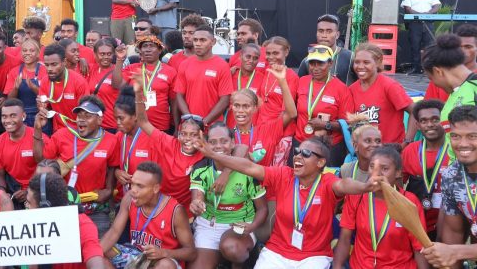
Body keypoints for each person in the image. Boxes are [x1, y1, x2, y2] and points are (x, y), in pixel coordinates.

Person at [194, 136, 385, 269]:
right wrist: (214, 155)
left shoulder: (327, 182)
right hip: (276, 252)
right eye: (297, 151)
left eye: (306, 154)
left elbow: (345, 184)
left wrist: (365, 187)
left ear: (320, 163)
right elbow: (250, 167)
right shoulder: (284, 175)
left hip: (313, 257)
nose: (298, 156)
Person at [333, 146, 428, 269]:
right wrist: (337, 266)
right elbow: (345, 238)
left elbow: (419, 247)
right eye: (372, 167)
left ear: (398, 172)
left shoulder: (409, 201)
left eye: (385, 169)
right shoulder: (356, 197)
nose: (376, 174)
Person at [189, 123, 267, 269]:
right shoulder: (201, 168)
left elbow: (262, 209)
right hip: (209, 225)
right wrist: (196, 204)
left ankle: (244, 259)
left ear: (232, 143)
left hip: (239, 225)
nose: (219, 146)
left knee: (233, 249)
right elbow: (197, 197)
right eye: (212, 142)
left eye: (224, 141)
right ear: (206, 144)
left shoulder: (248, 170)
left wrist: (252, 226)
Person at [34, 96, 117, 234]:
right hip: (65, 207)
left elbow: (113, 167)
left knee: (97, 249)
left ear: (100, 120)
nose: (81, 119)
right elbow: (40, 160)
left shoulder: (111, 141)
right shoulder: (61, 135)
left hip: (95, 209)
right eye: (79, 115)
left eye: (87, 115)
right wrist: (37, 128)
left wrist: (108, 189)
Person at [100, 162, 196, 268]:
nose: (133, 190)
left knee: (165, 265)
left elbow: (191, 252)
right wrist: (95, 254)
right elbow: (114, 231)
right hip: (134, 254)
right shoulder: (129, 198)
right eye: (133, 184)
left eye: (140, 186)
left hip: (159, 259)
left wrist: (164, 252)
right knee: (100, 249)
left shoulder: (176, 211)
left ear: (155, 188)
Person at [133, 71, 203, 211]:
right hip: (159, 205)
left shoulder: (205, 153)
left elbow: (237, 151)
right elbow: (142, 122)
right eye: (184, 133)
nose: (187, 139)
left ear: (201, 135)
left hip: (185, 211)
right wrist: (139, 93)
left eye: (193, 135)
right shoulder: (168, 142)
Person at [422, 105, 477, 267]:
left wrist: (456, 252)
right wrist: (450, 256)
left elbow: (453, 251)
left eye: (472, 136)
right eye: (455, 136)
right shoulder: (451, 176)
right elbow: (454, 233)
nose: (463, 144)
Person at [24, 172, 107, 268]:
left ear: (45, 207)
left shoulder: (82, 224)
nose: (26, 206)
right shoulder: (29, 227)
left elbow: (96, 263)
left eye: (29, 203)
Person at [295, 45, 353, 166]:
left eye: (320, 63)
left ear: (330, 63)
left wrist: (326, 125)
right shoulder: (302, 81)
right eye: (312, 63)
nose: (315, 68)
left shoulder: (341, 89)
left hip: (328, 148)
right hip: (301, 142)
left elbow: (347, 124)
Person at [229, 64, 296, 167]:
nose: (240, 110)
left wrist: (282, 82)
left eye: (246, 106)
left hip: (260, 182)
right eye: (236, 106)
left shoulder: (267, 131)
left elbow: (291, 114)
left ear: (255, 108)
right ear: (231, 107)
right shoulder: (226, 134)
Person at [350, 43, 416, 144]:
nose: (360, 66)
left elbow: (415, 111)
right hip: (364, 152)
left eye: (366, 62)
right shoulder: (351, 89)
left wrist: (407, 142)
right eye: (357, 62)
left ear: (378, 62)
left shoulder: (389, 86)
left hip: (389, 152)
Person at [423, 34, 476, 161]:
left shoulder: (474, 87)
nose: (434, 84)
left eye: (431, 78)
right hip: (459, 174)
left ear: (438, 72)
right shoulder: (454, 94)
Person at [401, 99, 448, 236]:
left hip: (449, 224)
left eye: (435, 119)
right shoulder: (410, 150)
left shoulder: (454, 150)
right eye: (424, 121)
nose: (430, 125)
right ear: (418, 125)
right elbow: (398, 185)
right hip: (417, 223)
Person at [115, 35, 177, 132]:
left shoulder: (170, 71)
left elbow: (173, 102)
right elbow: (117, 85)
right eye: (144, 46)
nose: (148, 49)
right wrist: (119, 59)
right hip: (135, 125)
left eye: (151, 46)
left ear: (160, 50)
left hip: (160, 125)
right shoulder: (132, 68)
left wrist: (176, 127)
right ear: (140, 51)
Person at [0, 99, 48, 200]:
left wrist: (30, 190)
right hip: (13, 192)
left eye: (13, 116)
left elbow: (46, 168)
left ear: (23, 116)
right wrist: (3, 194)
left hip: (39, 191)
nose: (7, 120)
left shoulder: (41, 137)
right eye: (4, 116)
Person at [175, 25, 233, 125]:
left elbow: (225, 99)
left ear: (213, 42)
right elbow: (179, 95)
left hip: (213, 128)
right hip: (189, 127)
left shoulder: (222, 66)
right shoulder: (185, 64)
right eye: (195, 40)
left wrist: (204, 122)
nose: (198, 44)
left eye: (202, 40)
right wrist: (190, 120)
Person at [258, 37, 300, 167]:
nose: (271, 57)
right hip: (263, 132)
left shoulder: (291, 76)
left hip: (280, 134)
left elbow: (289, 112)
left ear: (286, 52)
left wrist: (273, 133)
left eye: (276, 53)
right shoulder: (267, 72)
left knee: (275, 176)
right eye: (268, 53)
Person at [111, 86, 153, 202]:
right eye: (116, 119)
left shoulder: (151, 138)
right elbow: (112, 165)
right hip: (123, 200)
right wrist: (117, 172)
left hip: (145, 200)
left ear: (135, 116)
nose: (117, 123)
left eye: (121, 118)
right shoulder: (119, 136)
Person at [38, 44, 90, 132]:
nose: (49, 69)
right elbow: (45, 108)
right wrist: (42, 108)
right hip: (57, 131)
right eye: (47, 65)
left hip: (78, 131)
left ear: (64, 62)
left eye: (54, 64)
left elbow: (86, 112)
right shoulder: (44, 81)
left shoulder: (79, 82)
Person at [4, 39, 49, 132]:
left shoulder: (45, 71)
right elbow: (10, 99)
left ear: (38, 54)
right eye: (24, 50)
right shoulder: (14, 72)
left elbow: (48, 97)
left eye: (31, 51)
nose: (27, 53)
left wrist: (34, 87)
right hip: (21, 116)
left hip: (40, 114)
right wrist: (16, 88)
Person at [298, 14, 357, 84]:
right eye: (321, 31)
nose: (324, 35)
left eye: (329, 31)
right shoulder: (307, 61)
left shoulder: (351, 57)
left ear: (337, 35)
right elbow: (299, 87)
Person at [425, 23, 477, 102]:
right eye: (459, 47)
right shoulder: (439, 77)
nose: (462, 51)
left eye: (468, 47)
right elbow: (429, 108)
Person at [402, 0, 441, 75]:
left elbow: (437, 5)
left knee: (430, 47)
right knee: (415, 46)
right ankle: (416, 68)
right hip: (415, 23)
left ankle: (430, 69)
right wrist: (420, 15)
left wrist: (429, 13)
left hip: (428, 22)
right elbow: (407, 8)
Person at [226, 44, 266, 129]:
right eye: (248, 57)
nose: (251, 60)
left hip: (252, 128)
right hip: (231, 126)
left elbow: (263, 106)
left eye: (255, 58)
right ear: (240, 57)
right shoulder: (230, 76)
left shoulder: (263, 78)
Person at [87, 37, 119, 132]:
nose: (106, 57)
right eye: (102, 54)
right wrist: (81, 60)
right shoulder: (90, 69)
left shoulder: (118, 72)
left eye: (109, 54)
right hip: (93, 123)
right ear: (95, 54)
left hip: (111, 124)